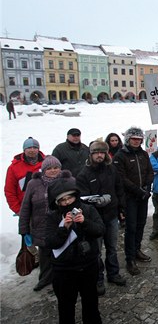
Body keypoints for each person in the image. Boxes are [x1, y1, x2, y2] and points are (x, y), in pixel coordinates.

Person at [44, 172, 104, 324]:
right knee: (66, 307)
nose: (67, 202)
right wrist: (64, 228)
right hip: (64, 270)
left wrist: (85, 223)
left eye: (69, 198)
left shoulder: (88, 210)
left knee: (90, 303)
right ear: (56, 202)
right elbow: (50, 242)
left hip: (88, 266)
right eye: (62, 200)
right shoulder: (53, 216)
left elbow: (100, 230)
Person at [76, 141, 127, 295]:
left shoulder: (111, 169)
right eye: (96, 152)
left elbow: (119, 189)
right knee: (95, 251)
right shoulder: (83, 174)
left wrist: (121, 208)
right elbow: (82, 198)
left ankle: (113, 274)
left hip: (111, 215)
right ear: (91, 154)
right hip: (94, 219)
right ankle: (97, 278)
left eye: (102, 152)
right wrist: (96, 201)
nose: (99, 155)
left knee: (112, 247)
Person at [112, 127, 154, 276]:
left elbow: (150, 171)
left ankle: (137, 249)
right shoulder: (120, 155)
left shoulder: (143, 154)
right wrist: (138, 190)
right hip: (130, 197)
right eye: (133, 139)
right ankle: (130, 258)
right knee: (131, 227)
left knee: (141, 224)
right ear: (128, 140)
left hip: (143, 196)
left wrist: (147, 187)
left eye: (138, 139)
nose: (136, 141)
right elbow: (121, 178)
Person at [18, 155, 63, 291]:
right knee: (45, 256)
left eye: (56, 168)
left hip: (61, 226)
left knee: (62, 255)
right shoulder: (33, 184)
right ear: (43, 170)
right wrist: (24, 230)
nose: (53, 171)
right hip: (41, 227)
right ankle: (44, 279)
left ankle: (61, 282)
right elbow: (26, 207)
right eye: (49, 168)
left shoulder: (68, 180)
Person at [5, 137, 45, 214]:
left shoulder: (47, 162)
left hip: (47, 207)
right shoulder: (14, 167)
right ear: (24, 150)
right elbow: (9, 191)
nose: (32, 150)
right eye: (29, 148)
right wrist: (18, 210)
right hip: (26, 209)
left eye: (35, 147)